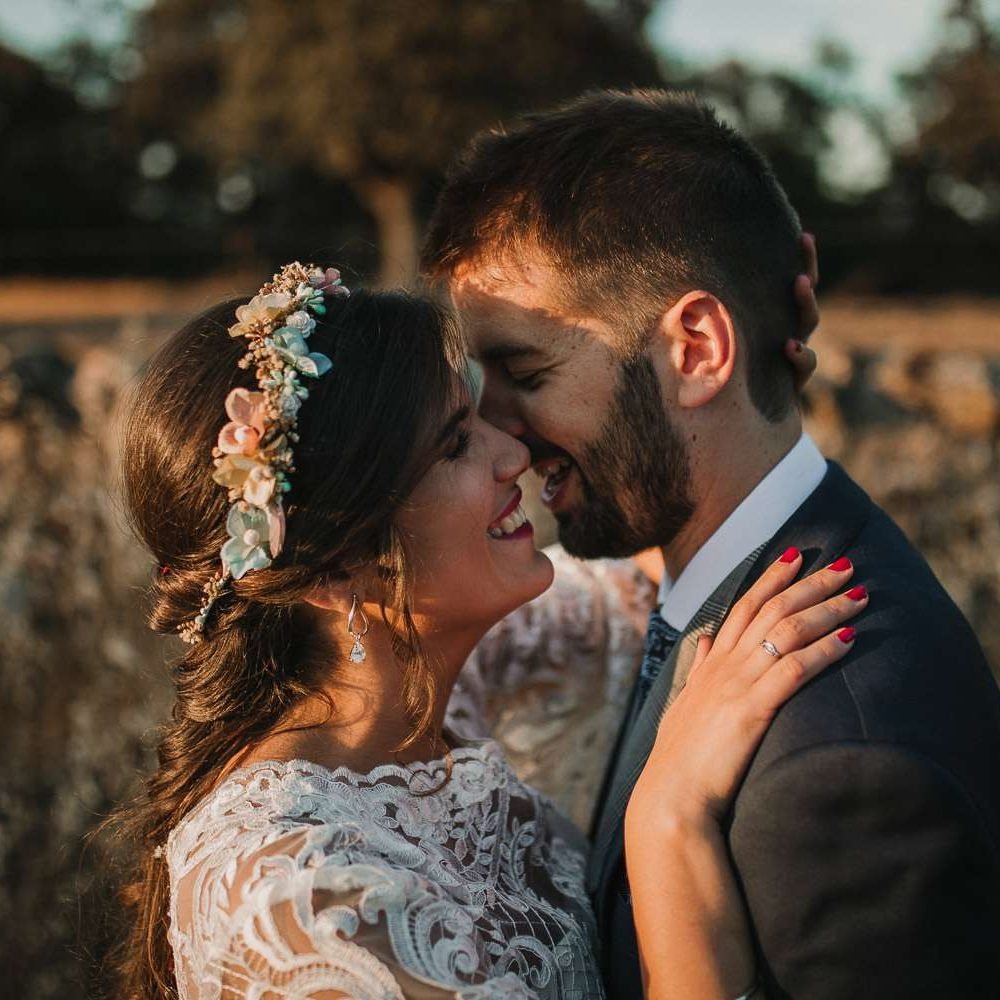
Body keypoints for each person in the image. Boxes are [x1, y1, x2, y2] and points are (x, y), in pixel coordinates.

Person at [113, 263, 863, 998]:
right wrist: (669, 819)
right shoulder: (305, 908)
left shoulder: (441, 685)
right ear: (337, 567)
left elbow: (662, 559)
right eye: (454, 444)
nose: (515, 453)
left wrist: (734, 379)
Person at [421, 89, 1000, 998]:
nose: (492, 430)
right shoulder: (715, 585)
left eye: (524, 372)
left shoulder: (841, 762)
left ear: (696, 349)